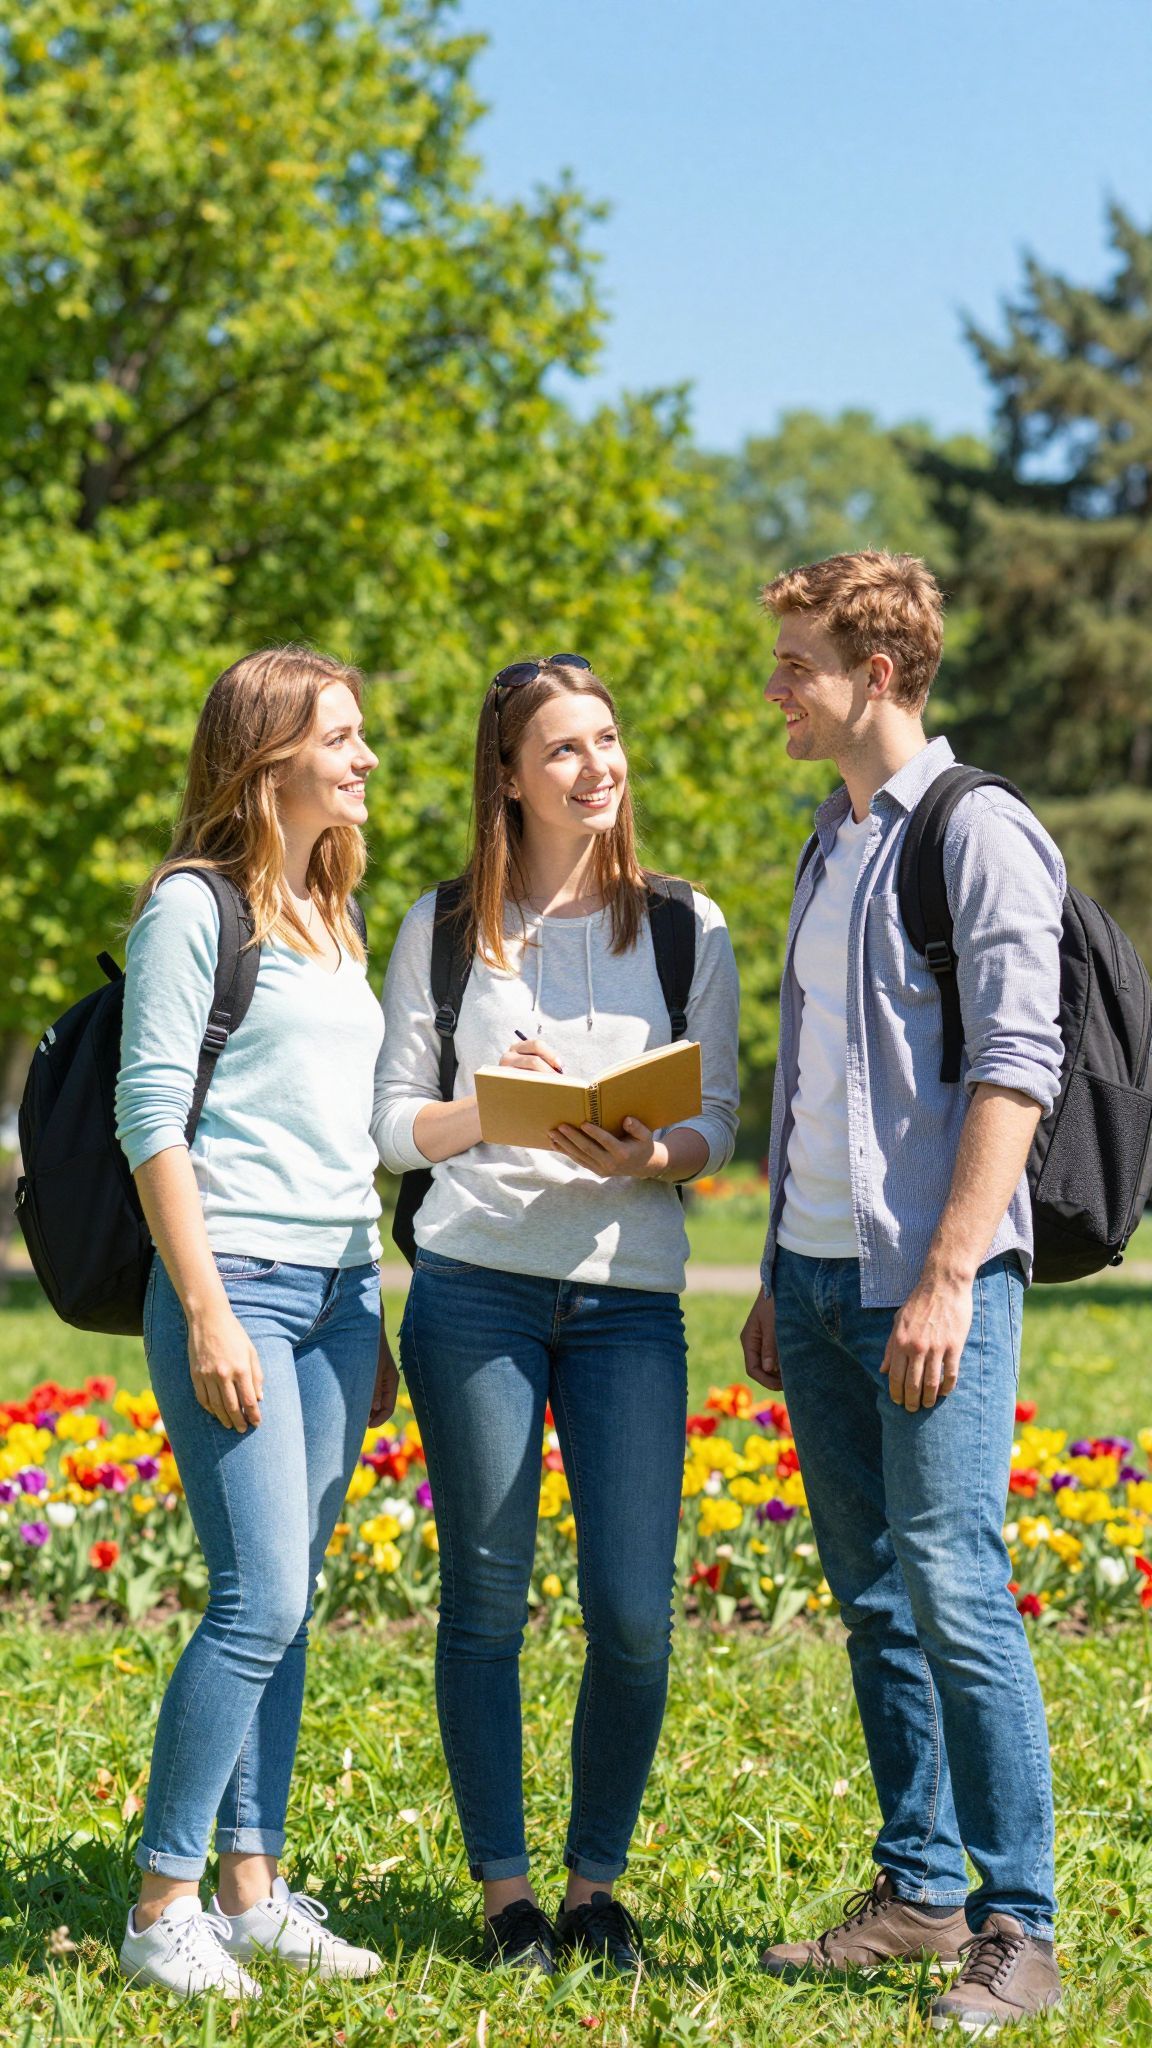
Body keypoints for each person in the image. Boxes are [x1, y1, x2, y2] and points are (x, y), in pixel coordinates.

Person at [375, 653, 739, 1976]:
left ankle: (597, 1886)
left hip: (629, 1297)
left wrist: (648, 1157)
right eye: (565, 750)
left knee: (635, 1609)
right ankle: (508, 1897)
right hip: (474, 1286)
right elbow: (391, 1124)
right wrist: (495, 1102)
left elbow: (718, 1123)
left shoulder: (688, 924)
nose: (599, 767)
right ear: (511, 779)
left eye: (607, 740)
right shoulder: (442, 924)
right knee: (484, 1599)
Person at [740, 553, 1064, 2034]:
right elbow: (814, 1079)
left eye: (795, 665)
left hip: (929, 1286)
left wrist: (945, 1276)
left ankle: (1020, 1927)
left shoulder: (976, 831)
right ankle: (922, 1891)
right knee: (876, 1600)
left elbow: (1016, 1067)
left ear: (876, 675)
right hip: (814, 1281)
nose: (776, 692)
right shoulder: (832, 841)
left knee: (953, 1583)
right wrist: (772, 1276)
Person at [114, 647, 396, 1998]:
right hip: (239, 1289)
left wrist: (373, 1301)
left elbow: (342, 1136)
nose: (365, 758)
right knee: (259, 1596)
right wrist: (213, 1310)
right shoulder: (193, 907)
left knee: (293, 1608)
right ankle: (163, 1903)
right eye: (341, 737)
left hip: (342, 1291)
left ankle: (252, 1887)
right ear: (268, 756)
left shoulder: (333, 915)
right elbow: (149, 1119)